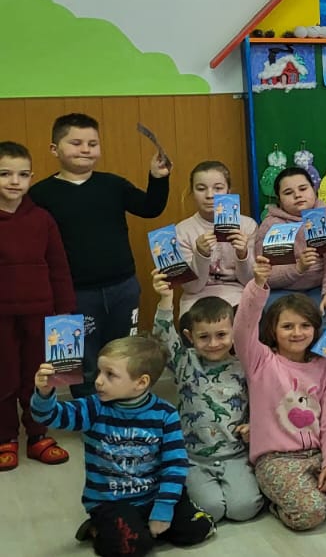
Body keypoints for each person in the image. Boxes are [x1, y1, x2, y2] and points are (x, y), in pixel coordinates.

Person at [29, 113, 170, 401]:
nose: (85, 149)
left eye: (92, 144)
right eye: (76, 143)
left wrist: (157, 179)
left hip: (122, 288)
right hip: (73, 294)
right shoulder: (40, 195)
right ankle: (88, 412)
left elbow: (150, 208)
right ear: (55, 149)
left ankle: (123, 408)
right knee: (83, 363)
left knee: (123, 356)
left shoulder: (113, 185)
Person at [31, 337, 215, 556]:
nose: (98, 381)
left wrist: (164, 508)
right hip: (111, 503)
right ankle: (98, 528)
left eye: (110, 375)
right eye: (99, 372)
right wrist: (44, 394)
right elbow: (49, 416)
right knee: (133, 547)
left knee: (198, 529)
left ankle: (140, 528)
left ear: (141, 383)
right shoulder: (93, 407)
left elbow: (175, 465)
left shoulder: (165, 414)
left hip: (154, 495)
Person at [237, 258, 326, 531]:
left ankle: (316, 490)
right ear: (273, 330)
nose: (297, 333)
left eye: (305, 326)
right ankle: (284, 502)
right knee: (310, 514)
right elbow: (243, 327)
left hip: (318, 452)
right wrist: (258, 285)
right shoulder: (260, 360)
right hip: (276, 458)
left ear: (315, 329)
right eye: (287, 326)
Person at [150, 271, 260, 522]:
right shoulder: (185, 362)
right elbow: (164, 338)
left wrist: (253, 424)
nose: (213, 343)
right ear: (190, 337)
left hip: (235, 455)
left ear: (234, 332)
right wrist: (165, 300)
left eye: (221, 335)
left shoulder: (244, 365)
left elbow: (261, 401)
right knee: (212, 509)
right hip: (194, 458)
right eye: (203, 337)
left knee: (243, 509)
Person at [0, 141, 75, 473]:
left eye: (23, 174)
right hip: (1, 316)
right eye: (5, 174)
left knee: (40, 376)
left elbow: (59, 267)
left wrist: (65, 310)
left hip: (41, 314)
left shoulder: (43, 219)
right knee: (4, 377)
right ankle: (5, 437)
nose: (14, 181)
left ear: (31, 177)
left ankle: (38, 435)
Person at [252, 168, 326, 322]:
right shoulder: (272, 225)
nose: (297, 195)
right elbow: (267, 276)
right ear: (279, 199)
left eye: (303, 189)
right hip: (282, 290)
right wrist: (298, 268)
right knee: (283, 326)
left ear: (314, 190)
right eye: (288, 192)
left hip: (322, 286)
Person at [174, 161, 255, 315]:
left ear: (228, 190)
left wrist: (242, 254)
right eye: (201, 188)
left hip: (238, 297)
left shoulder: (247, 225)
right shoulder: (182, 231)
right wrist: (201, 254)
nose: (210, 195)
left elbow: (250, 281)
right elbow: (192, 288)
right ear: (192, 192)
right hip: (196, 301)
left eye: (218, 188)